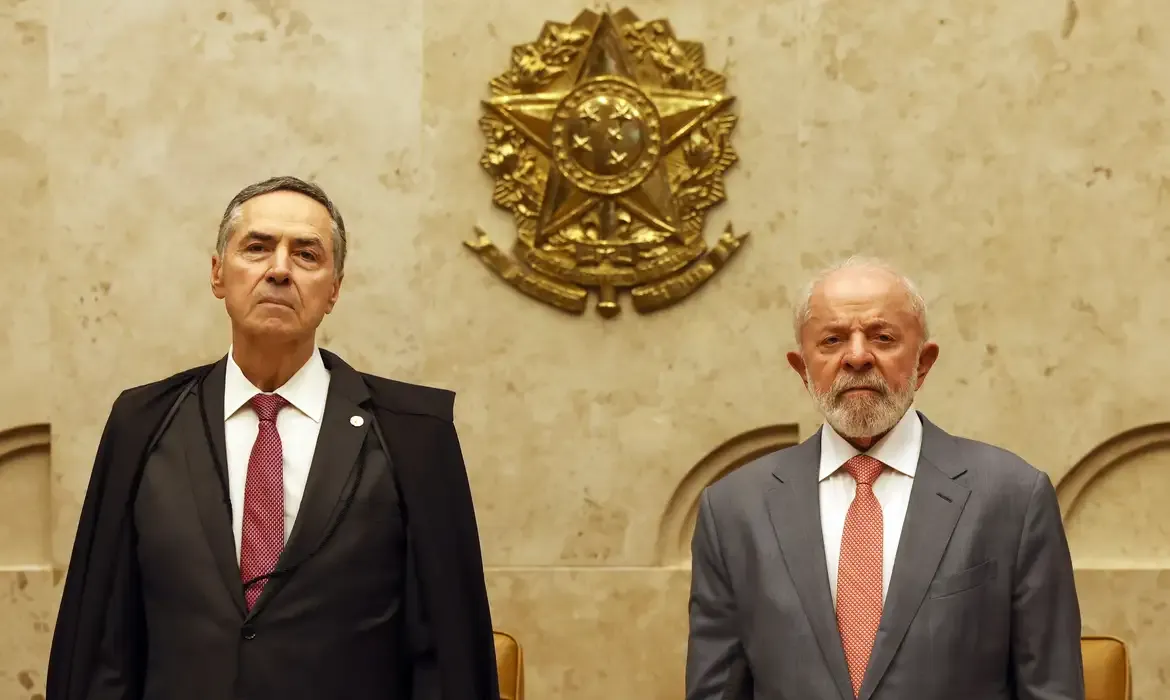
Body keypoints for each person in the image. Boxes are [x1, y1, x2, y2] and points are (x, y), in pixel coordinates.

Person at [46, 176, 501, 700]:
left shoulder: (415, 435)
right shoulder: (143, 423)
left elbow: (447, 652)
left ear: (334, 289)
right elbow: (100, 641)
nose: (280, 270)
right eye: (257, 248)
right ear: (218, 273)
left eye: (306, 255)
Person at [685, 257, 1084, 700]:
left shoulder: (1013, 498)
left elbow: (1052, 689)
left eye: (883, 338)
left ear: (923, 363)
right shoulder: (733, 511)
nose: (857, 357)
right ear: (802, 369)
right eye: (832, 340)